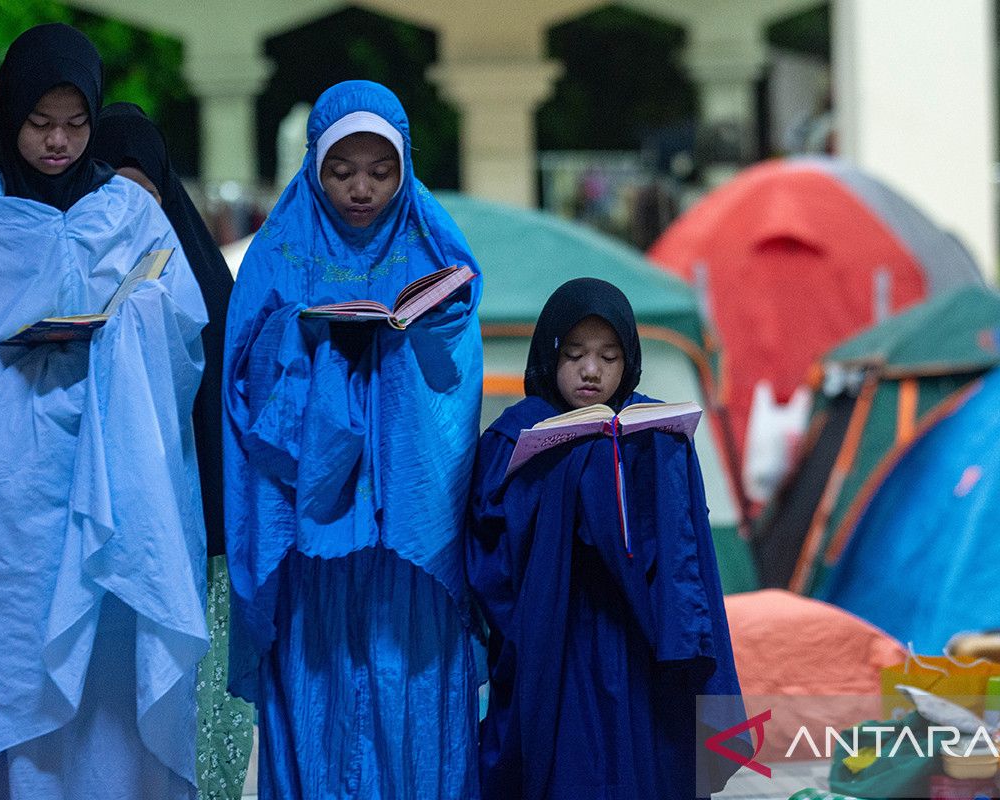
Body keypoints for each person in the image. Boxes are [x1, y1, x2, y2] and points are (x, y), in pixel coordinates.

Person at [0, 24, 208, 799]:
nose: (58, 142)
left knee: (106, 692)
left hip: (111, 489)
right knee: (16, 688)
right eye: (40, 123)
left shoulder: (132, 214)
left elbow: (181, 342)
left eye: (76, 124)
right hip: (1, 512)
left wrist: (124, 330)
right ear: (9, 116)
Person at [223, 80, 481, 799]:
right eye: (342, 171)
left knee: (411, 684)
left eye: (380, 170)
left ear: (405, 167)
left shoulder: (432, 240)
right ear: (313, 166)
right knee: (320, 685)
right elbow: (244, 372)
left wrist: (423, 331)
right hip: (311, 534)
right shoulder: (279, 251)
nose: (361, 189)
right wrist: (303, 333)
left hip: (409, 532)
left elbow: (458, 368)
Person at [467, 277, 747, 799]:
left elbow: (689, 556)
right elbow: (488, 548)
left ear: (630, 360)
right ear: (549, 354)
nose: (591, 370)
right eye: (574, 354)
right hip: (556, 640)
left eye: (609, 356)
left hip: (641, 638)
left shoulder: (658, 433)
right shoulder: (514, 435)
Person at [89, 102, 251, 800]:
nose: (131, 206)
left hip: (208, 533)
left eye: (143, 189)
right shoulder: (81, 267)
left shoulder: (212, 282)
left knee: (205, 710)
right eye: (111, 187)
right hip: (123, 528)